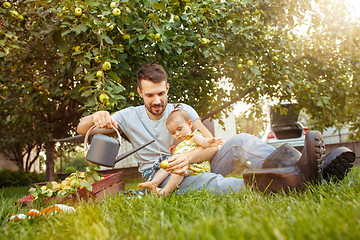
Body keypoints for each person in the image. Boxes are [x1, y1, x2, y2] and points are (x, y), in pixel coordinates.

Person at [77, 63, 356, 194]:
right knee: (214, 184)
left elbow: (212, 144)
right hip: (162, 176)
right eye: (150, 95)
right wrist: (96, 117)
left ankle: (298, 169)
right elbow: (81, 129)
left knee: (241, 140)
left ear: (167, 88)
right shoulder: (127, 116)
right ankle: (296, 180)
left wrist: (186, 157)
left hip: (195, 163)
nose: (157, 101)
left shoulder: (182, 111)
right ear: (140, 92)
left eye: (161, 93)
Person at [138, 108, 223, 197]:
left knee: (178, 169)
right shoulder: (182, 144)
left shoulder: (193, 136)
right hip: (187, 167)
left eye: (179, 129)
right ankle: (153, 182)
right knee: (169, 164)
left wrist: (209, 141)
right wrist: (174, 153)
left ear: (189, 124)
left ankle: (166, 191)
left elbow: (203, 142)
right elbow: (184, 153)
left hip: (197, 168)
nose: (177, 134)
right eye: (173, 132)